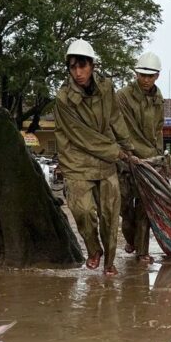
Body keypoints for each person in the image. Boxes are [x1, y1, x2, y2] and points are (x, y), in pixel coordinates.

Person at [54, 39, 135, 275]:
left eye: (82, 66)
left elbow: (115, 118)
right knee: (83, 211)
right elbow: (81, 136)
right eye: (72, 67)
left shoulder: (107, 88)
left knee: (110, 213)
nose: (78, 73)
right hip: (77, 161)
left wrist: (128, 148)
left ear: (92, 66)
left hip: (105, 163)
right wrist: (116, 152)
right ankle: (93, 249)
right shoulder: (63, 99)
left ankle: (109, 262)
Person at [116, 51, 166, 264]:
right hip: (126, 160)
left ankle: (142, 251)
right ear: (136, 73)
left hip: (150, 161)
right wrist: (128, 154)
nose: (146, 79)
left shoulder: (158, 98)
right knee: (125, 209)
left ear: (157, 76)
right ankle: (131, 240)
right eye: (142, 75)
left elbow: (158, 129)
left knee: (145, 208)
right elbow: (119, 129)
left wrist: (159, 158)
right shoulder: (122, 96)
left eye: (151, 75)